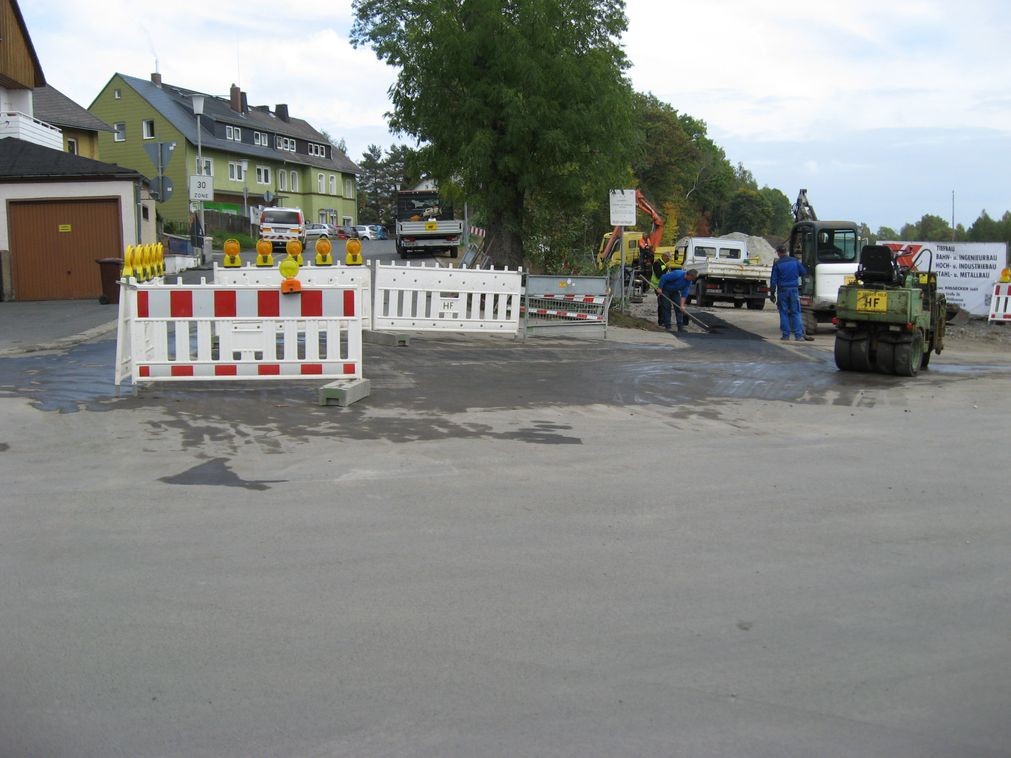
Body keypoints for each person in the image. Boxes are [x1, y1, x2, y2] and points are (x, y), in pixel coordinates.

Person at [769, 244, 814, 341]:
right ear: (786, 251)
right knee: (796, 312)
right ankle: (798, 336)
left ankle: (786, 335)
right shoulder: (795, 261)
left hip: (782, 291)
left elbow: (773, 280)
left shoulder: (777, 264)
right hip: (794, 290)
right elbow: (803, 272)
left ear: (779, 253)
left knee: (783, 312)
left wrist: (772, 293)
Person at [656, 267, 699, 333]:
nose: (692, 280)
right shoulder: (677, 274)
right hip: (665, 290)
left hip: (674, 291)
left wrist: (682, 305)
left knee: (679, 308)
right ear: (689, 275)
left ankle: (680, 327)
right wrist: (660, 288)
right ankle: (668, 326)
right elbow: (663, 277)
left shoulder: (689, 282)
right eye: (692, 278)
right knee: (667, 307)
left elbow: (684, 294)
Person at [650, 252, 671, 326]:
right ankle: (661, 320)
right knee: (661, 304)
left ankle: (664, 320)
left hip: (664, 286)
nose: (669, 259)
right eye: (668, 258)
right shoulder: (657, 263)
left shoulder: (663, 264)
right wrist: (666, 268)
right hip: (658, 286)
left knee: (664, 303)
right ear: (664, 256)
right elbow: (659, 275)